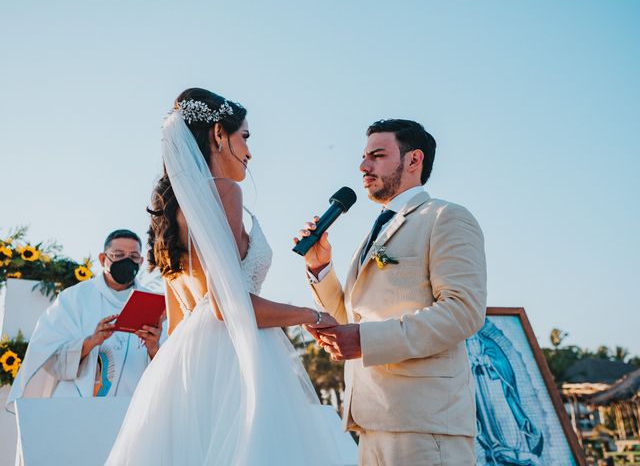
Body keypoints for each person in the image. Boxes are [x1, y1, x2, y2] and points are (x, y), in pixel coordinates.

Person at [106, 88, 341, 465]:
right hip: (235, 358)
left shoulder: (172, 211)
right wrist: (310, 316)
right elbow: (226, 306)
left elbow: (181, 316)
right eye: (244, 137)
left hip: (185, 365)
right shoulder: (225, 192)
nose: (250, 151)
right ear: (218, 135)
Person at [297, 119, 487, 465]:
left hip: (425, 426)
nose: (363, 166)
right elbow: (350, 319)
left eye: (377, 155)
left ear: (414, 160)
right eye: (364, 157)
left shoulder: (446, 217)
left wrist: (366, 340)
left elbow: (463, 311)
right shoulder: (373, 233)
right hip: (370, 421)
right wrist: (320, 267)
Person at [6, 229, 162, 407]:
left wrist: (153, 348)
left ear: (141, 261)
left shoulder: (154, 303)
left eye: (133, 256)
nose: (127, 260)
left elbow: (167, 365)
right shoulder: (74, 298)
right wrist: (90, 342)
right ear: (103, 259)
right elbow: (47, 353)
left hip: (132, 407)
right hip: (76, 405)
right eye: (118, 255)